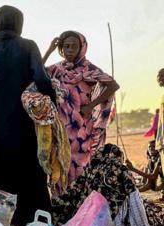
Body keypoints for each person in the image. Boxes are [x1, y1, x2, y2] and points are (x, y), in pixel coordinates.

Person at [0, 5, 56, 226]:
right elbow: (42, 79)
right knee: (32, 180)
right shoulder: (28, 46)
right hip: (27, 126)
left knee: (1, 183)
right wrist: (51, 103)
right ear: (19, 24)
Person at [43, 31, 120, 182]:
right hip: (60, 126)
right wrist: (49, 50)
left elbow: (113, 85)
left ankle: (81, 202)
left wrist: (91, 106)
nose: (70, 50)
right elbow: (36, 73)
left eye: (74, 46)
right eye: (66, 46)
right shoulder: (56, 69)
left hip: (82, 127)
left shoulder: (88, 68)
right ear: (61, 48)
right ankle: (61, 201)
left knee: (80, 166)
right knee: (60, 162)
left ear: (81, 48)